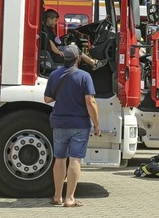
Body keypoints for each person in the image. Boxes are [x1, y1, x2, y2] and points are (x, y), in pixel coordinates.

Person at [44, 44, 100, 207]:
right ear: (78, 58)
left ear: (63, 57)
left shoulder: (54, 75)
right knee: (75, 160)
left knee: (59, 159)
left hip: (59, 123)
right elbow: (90, 101)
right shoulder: (84, 76)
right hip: (79, 124)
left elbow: (47, 99)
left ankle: (57, 196)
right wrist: (96, 124)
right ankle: (70, 198)